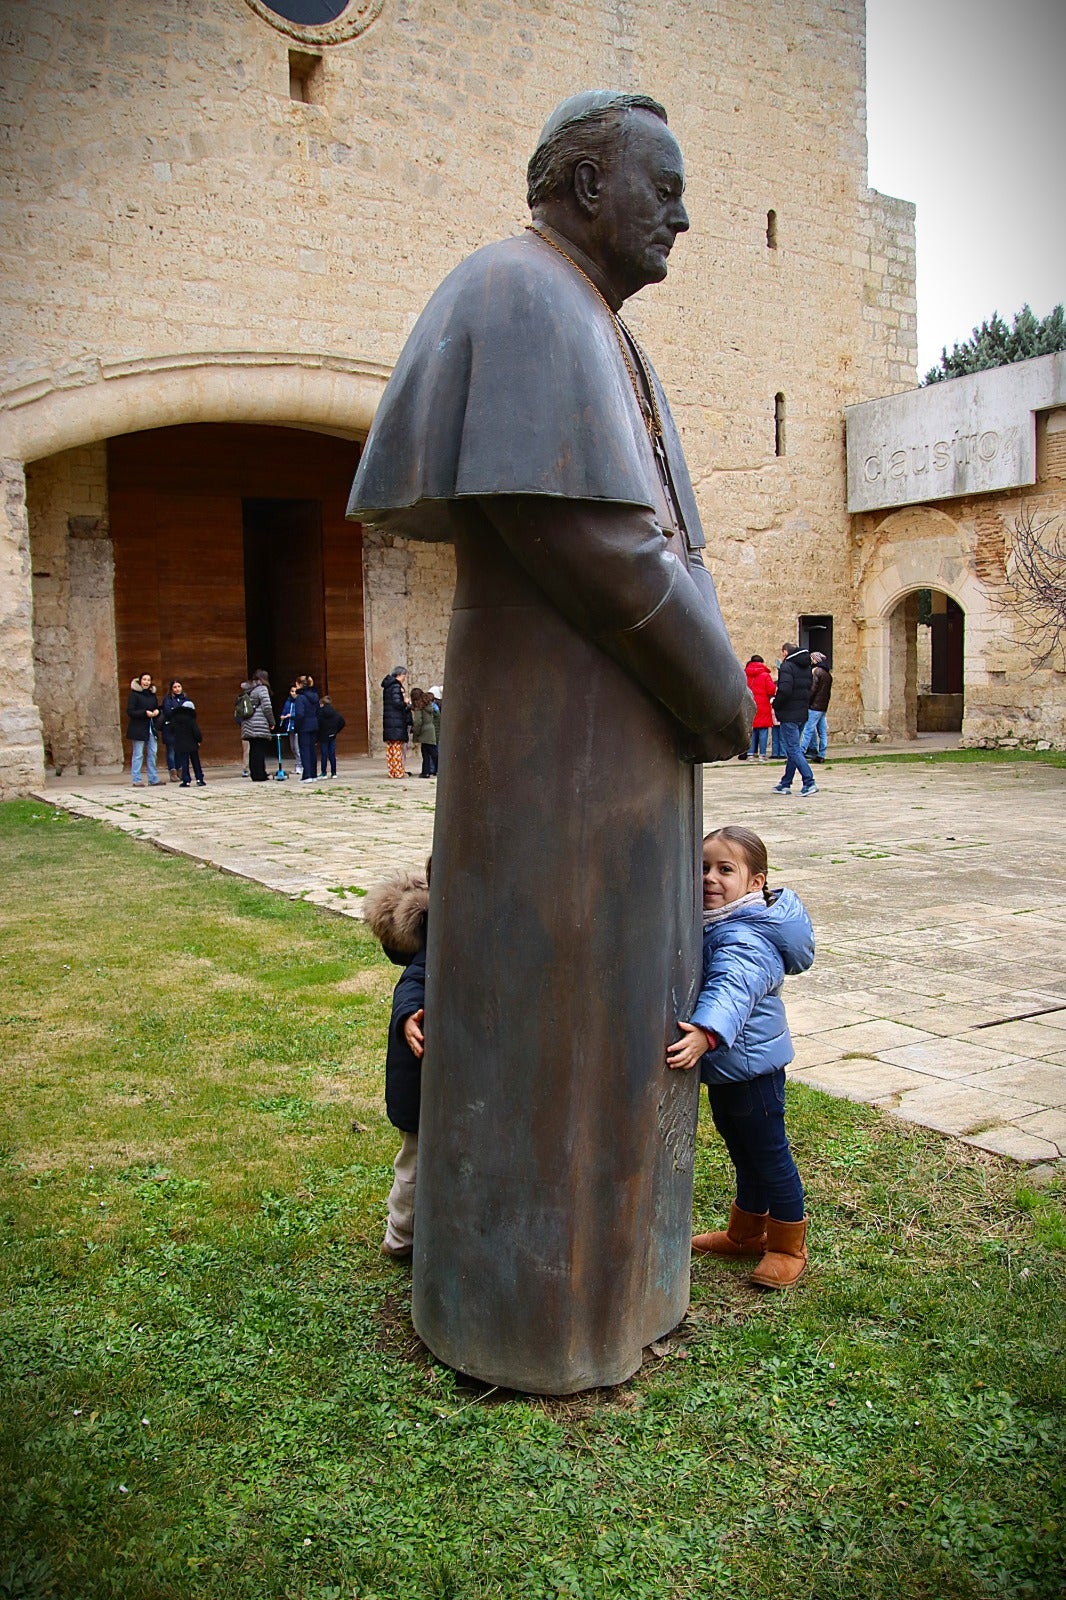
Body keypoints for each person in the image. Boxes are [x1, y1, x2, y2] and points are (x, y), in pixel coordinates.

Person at [348, 91, 751, 1394]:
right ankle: (537, 1318)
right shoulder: (520, 293)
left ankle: (619, 1290)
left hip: (609, 753)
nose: (682, 213)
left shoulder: (587, 316)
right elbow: (593, 543)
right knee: (560, 1029)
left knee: (616, 1012)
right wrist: (719, 690)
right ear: (583, 185)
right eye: (662, 185)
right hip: (558, 764)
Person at [667, 826, 813, 1289]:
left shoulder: (745, 936)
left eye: (725, 870)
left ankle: (789, 1244)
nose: (710, 878)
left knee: (768, 1155)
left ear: (755, 882)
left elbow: (733, 989)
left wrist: (706, 1034)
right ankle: (748, 1232)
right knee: (743, 1150)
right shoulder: (722, 922)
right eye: (703, 867)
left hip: (754, 1071)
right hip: (734, 1070)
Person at [363, 867, 430, 1261]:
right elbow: (411, 985)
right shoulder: (429, 951)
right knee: (414, 1165)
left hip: (447, 1088)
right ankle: (400, 1237)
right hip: (420, 1090)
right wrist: (408, 1018)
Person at [772, 643, 817, 796]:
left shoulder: (787, 667)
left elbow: (784, 689)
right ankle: (785, 783)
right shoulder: (806, 668)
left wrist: (776, 704)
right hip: (801, 713)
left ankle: (809, 781)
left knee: (792, 749)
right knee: (794, 748)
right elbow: (809, 689)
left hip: (789, 713)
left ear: (785, 653)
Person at [125, 673, 162, 787]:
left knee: (153, 753)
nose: (146, 682)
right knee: (138, 754)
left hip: (151, 727)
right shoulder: (134, 695)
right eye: (144, 679)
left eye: (148, 680)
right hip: (138, 728)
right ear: (140, 681)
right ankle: (136, 779)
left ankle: (153, 778)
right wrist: (144, 713)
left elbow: (156, 707)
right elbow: (130, 711)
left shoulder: (152, 695)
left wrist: (157, 712)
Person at [240, 669, 275, 782]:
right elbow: (267, 707)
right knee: (259, 749)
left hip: (247, 722)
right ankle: (260, 774)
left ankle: (254, 773)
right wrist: (272, 722)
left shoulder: (248, 689)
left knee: (253, 749)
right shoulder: (262, 689)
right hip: (259, 722)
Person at [741, 655, 776, 761]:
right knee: (763, 731)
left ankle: (750, 753)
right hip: (763, 705)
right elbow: (771, 690)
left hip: (749, 705)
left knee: (752, 730)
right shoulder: (765, 675)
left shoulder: (744, 674)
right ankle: (762, 754)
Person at [380, 667, 411, 779]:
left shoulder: (388, 686)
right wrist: (405, 702)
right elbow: (397, 703)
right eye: (404, 677)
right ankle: (398, 771)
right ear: (400, 675)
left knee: (391, 748)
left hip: (389, 721)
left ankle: (392, 771)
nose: (404, 679)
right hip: (396, 721)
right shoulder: (396, 686)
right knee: (397, 747)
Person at [801, 652, 832, 763]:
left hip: (814, 706)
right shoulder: (828, 674)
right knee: (822, 732)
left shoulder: (816, 672)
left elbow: (813, 689)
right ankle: (822, 754)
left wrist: (807, 701)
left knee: (808, 730)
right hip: (823, 707)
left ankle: (801, 751)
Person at [170, 697, 206, 787]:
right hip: (192, 743)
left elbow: (172, 730)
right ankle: (199, 779)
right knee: (196, 762)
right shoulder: (191, 719)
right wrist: (199, 740)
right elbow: (196, 731)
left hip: (180, 744)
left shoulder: (175, 718)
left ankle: (186, 780)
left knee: (184, 762)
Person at [293, 674, 320, 781]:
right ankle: (313, 774)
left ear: (299, 684)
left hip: (304, 727)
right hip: (314, 725)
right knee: (312, 750)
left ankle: (307, 775)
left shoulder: (300, 698)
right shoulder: (314, 696)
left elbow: (299, 714)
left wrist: (296, 726)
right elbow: (318, 711)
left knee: (304, 750)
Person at [159, 679, 187, 782]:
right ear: (171, 689)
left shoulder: (184, 698)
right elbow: (168, 712)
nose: (177, 689)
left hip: (181, 729)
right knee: (171, 751)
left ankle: (180, 771)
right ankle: (172, 772)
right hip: (170, 729)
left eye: (179, 686)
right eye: (175, 687)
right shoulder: (167, 699)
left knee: (179, 751)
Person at [409, 688, 439, 777]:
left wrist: (416, 733)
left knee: (429, 753)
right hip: (431, 729)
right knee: (428, 751)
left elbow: (418, 722)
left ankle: (428, 771)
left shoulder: (419, 707)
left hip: (424, 731)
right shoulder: (428, 704)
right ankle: (425, 771)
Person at [317, 694, 346, 777]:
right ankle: (334, 773)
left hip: (323, 736)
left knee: (324, 754)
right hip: (332, 735)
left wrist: (317, 736)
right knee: (332, 754)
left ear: (322, 704)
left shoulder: (320, 713)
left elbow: (318, 724)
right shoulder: (334, 712)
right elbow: (342, 722)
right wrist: (336, 731)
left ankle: (323, 772)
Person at [280, 683, 301, 775]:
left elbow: (300, 714)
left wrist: (291, 716)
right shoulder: (288, 702)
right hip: (289, 727)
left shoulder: (300, 701)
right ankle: (297, 765)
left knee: (297, 748)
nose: (293, 693)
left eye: (295, 691)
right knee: (292, 747)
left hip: (297, 727)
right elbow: (284, 710)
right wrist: (282, 716)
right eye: (292, 691)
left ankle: (300, 766)